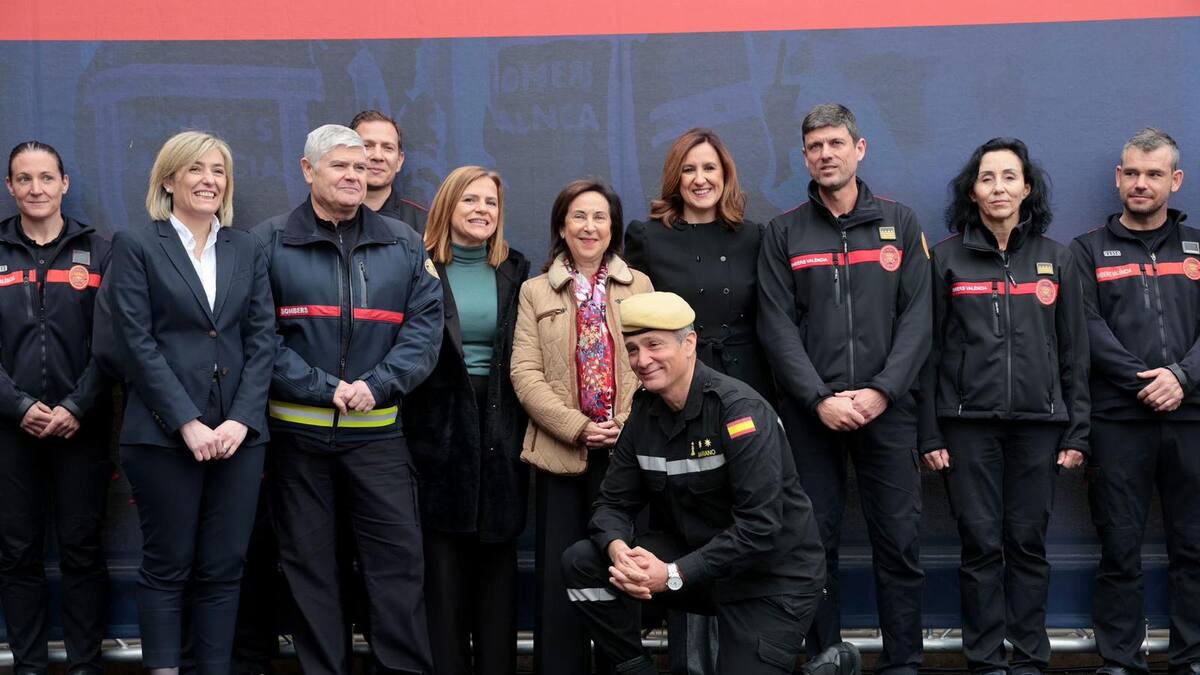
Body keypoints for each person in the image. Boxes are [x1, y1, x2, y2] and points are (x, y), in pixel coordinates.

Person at [560, 291, 849, 675]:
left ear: (689, 343)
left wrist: (673, 574)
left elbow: (760, 528)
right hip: (703, 566)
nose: (642, 360)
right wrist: (617, 551)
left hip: (771, 578)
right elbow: (612, 504)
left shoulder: (739, 411)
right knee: (583, 562)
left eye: (654, 345)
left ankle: (829, 668)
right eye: (632, 349)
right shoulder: (644, 413)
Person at [252, 123, 443, 675]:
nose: (354, 176)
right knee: (310, 573)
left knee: (397, 572)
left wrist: (377, 385)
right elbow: (260, 336)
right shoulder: (269, 242)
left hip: (379, 440)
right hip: (297, 443)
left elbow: (424, 332)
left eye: (360, 167)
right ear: (308, 170)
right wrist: (323, 389)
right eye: (340, 166)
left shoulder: (404, 242)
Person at [756, 103, 930, 675]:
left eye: (835, 143)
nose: (825, 154)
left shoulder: (901, 224)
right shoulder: (784, 231)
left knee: (900, 545)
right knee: (811, 547)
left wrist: (882, 392)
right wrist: (818, 399)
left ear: (860, 149)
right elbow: (776, 326)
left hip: (891, 411)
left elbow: (919, 319)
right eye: (814, 147)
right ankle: (824, 659)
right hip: (812, 416)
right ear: (804, 156)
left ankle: (904, 662)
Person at [107, 130, 276, 675]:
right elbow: (135, 342)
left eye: (218, 171)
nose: (209, 181)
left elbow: (262, 338)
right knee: (167, 566)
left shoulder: (245, 247)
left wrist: (239, 422)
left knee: (225, 568)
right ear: (168, 179)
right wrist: (186, 422)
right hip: (161, 438)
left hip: (237, 439)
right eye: (196, 170)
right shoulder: (136, 246)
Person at [920, 138, 1089, 674]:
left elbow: (1074, 353)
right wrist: (930, 433)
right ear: (973, 191)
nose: (998, 187)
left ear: (1027, 188)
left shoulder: (1056, 259)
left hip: (1040, 426)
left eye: (1009, 177)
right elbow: (927, 353)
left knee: (1027, 544)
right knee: (980, 546)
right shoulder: (945, 259)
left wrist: (1077, 432)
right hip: (966, 427)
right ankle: (986, 661)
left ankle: (1032, 660)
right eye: (988, 178)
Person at [624, 126, 773, 675]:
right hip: (676, 393)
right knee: (687, 521)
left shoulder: (756, 236)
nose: (700, 178)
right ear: (675, 178)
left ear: (726, 176)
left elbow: (771, 323)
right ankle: (690, 664)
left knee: (742, 519)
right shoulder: (647, 236)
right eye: (689, 169)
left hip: (744, 390)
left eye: (710, 168)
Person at [1069, 128, 1199, 675]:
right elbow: (1085, 328)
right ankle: (1121, 659)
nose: (1139, 183)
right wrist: (1148, 379)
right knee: (1119, 546)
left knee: (1193, 546)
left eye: (1152, 174)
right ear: (1118, 177)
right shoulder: (1086, 250)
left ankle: (1191, 656)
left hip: (1192, 417)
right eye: (1131, 173)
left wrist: (1182, 377)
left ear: (1175, 180)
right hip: (1118, 420)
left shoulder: (1197, 246)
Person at [510, 178, 653, 674]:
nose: (589, 227)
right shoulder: (534, 291)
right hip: (561, 453)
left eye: (599, 217)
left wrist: (625, 424)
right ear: (562, 226)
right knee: (558, 578)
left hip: (625, 453)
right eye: (579, 217)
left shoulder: (639, 285)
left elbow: (652, 363)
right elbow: (523, 374)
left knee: (623, 569)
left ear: (613, 227)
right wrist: (576, 426)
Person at [402, 166, 531, 674]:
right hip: (437, 430)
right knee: (442, 569)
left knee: (498, 563)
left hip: (502, 426)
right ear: (447, 208)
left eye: (491, 203)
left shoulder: (518, 271)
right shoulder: (420, 267)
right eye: (470, 201)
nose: (482, 210)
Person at [0, 141, 111, 675]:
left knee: (81, 551)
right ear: (11, 187)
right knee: (18, 552)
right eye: (25, 179)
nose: (36, 189)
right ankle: (28, 665)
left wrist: (76, 405)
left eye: (47, 178)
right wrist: (17, 405)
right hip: (8, 429)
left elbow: (113, 345)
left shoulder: (101, 251)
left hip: (80, 429)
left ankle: (86, 664)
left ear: (65, 183)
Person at [351, 109, 428, 232]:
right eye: (367, 146)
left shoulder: (423, 224)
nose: (378, 156)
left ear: (399, 161)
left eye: (388, 148)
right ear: (347, 153)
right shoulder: (325, 217)